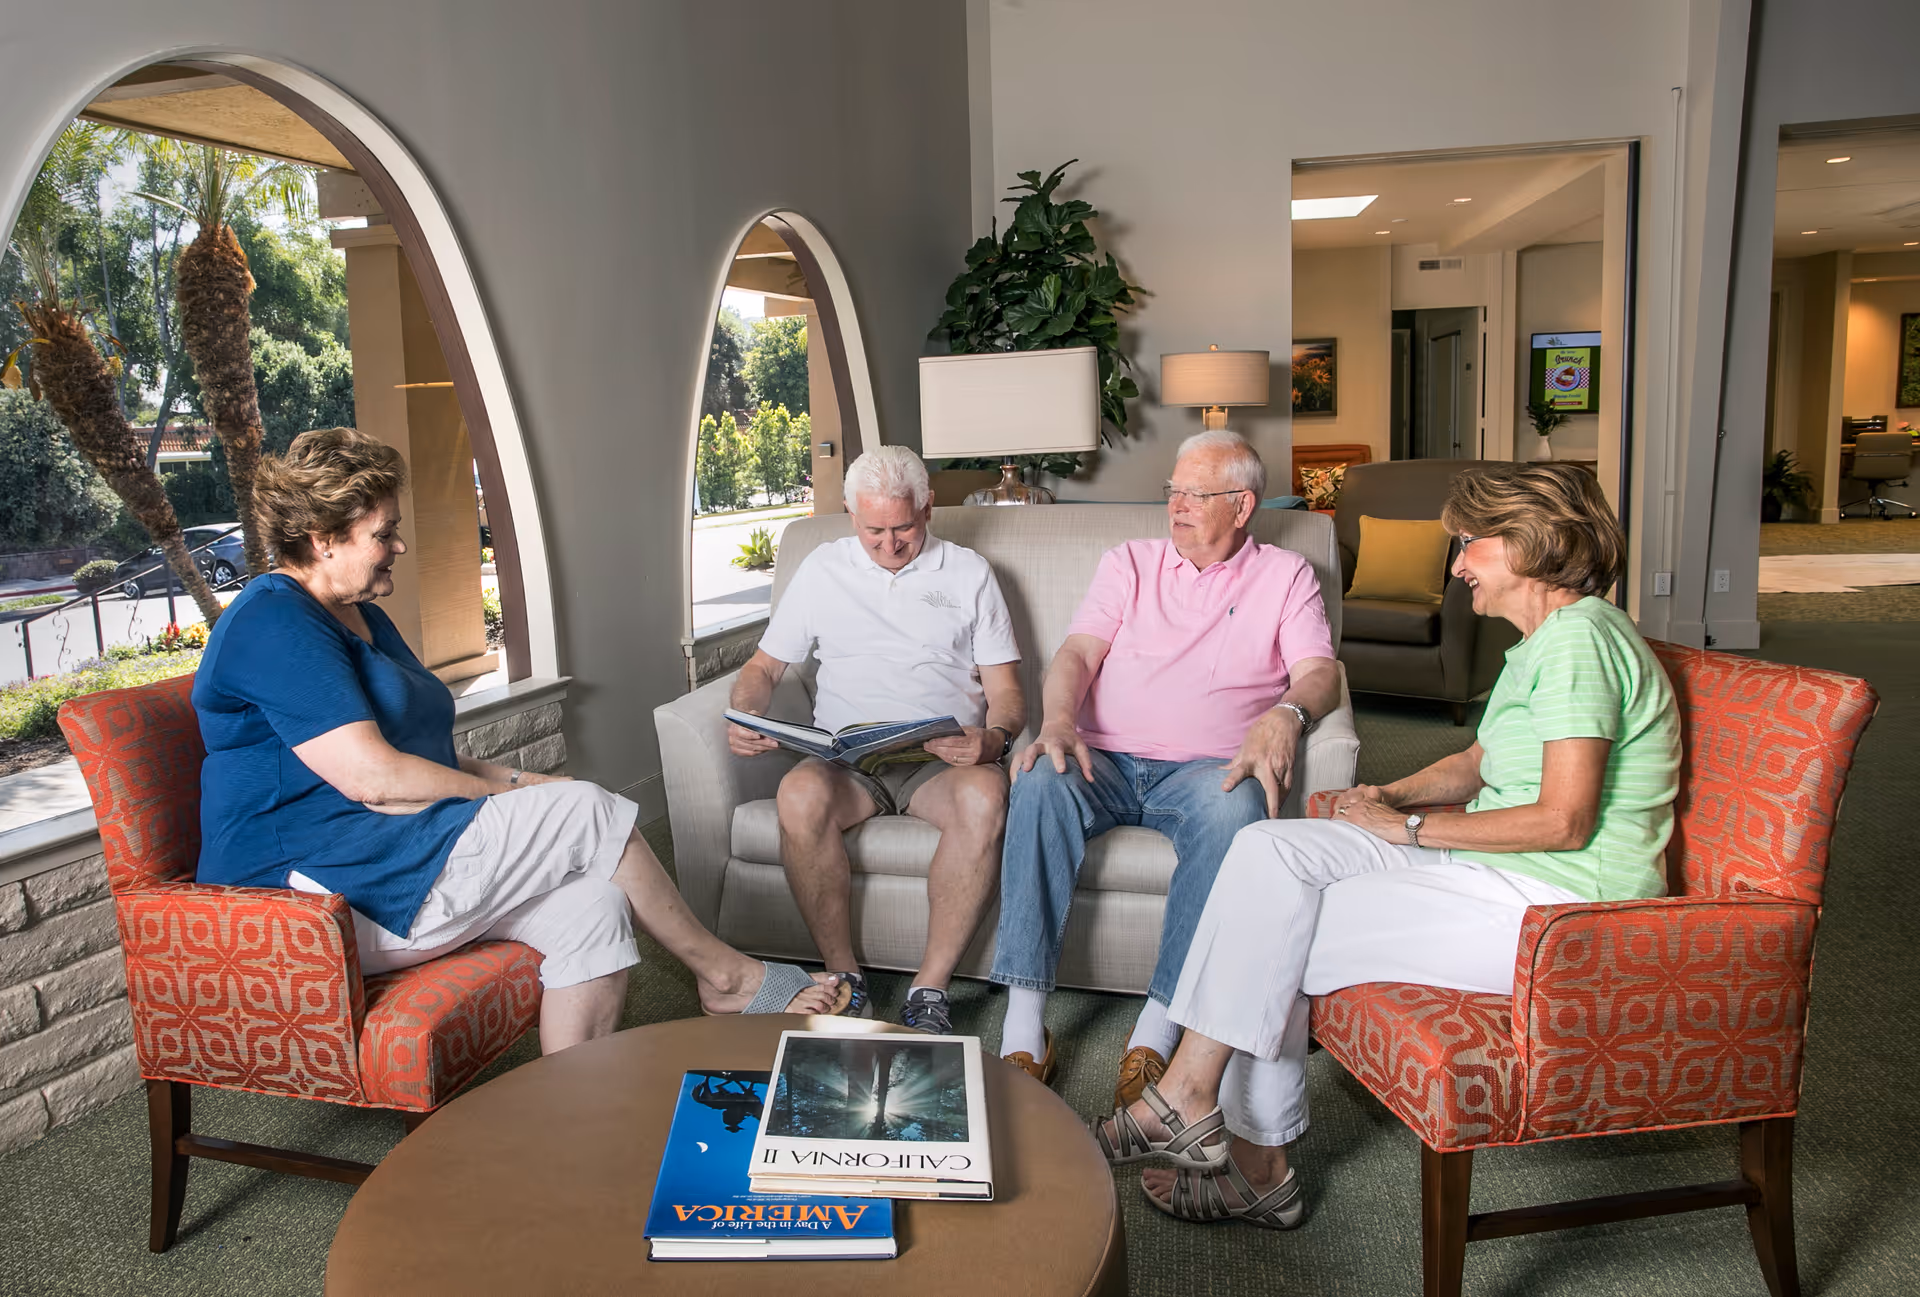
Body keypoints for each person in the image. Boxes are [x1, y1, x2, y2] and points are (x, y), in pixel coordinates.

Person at [1091, 462, 1680, 1231]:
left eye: (1469, 544)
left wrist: (1404, 829)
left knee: (1284, 923)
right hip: (1499, 875)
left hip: (1561, 909)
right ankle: (1198, 1107)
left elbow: (1563, 820)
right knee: (1271, 855)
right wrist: (1390, 796)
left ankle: (1233, 1141)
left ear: (1532, 541)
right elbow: (1480, 762)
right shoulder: (1548, 640)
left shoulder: (1579, 642)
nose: (1458, 564)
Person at [192, 427, 843, 1057]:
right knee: (588, 812)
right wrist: (511, 796)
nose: (399, 546)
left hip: (396, 849)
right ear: (323, 540)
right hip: (315, 898)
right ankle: (726, 977)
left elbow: (429, 760)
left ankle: (572, 1116)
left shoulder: (360, 614)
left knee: (595, 902)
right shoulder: (272, 619)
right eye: (382, 533)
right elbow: (377, 780)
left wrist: (528, 784)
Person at [990, 430, 1341, 1108]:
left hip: (1209, 769)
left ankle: (1158, 1027)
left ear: (1242, 505)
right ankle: (1025, 1024)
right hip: (1105, 758)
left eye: (1193, 494)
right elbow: (1076, 655)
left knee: (1237, 809)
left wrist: (1288, 713)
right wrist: (1058, 719)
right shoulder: (1130, 561)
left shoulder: (1286, 575)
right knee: (1037, 779)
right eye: (1172, 491)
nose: (1175, 505)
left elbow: (1319, 673)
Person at [727, 446, 1023, 1033]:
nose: (890, 544)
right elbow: (761, 671)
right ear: (849, 514)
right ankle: (845, 977)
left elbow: (1009, 693)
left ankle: (930, 989)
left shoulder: (970, 574)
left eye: (904, 528)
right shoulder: (821, 569)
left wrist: (992, 739)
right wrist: (746, 714)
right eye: (873, 530)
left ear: (929, 507)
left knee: (987, 797)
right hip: (847, 758)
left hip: (938, 759)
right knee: (797, 795)